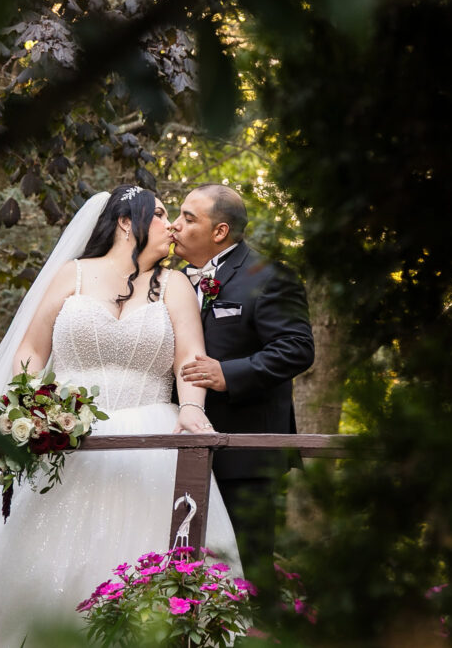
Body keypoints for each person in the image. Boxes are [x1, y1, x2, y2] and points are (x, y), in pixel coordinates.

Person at [0, 185, 241, 645]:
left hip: (152, 442)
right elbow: (31, 349)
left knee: (148, 565)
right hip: (66, 437)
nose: (172, 226)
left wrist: (190, 413)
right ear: (127, 223)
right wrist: (26, 404)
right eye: (160, 215)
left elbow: (190, 359)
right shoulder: (72, 276)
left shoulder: (176, 284)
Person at [169, 183, 314, 609]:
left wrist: (227, 374)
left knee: (248, 574)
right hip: (176, 447)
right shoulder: (170, 281)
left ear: (219, 232)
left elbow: (297, 349)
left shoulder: (269, 276)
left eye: (188, 218)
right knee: (178, 567)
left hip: (244, 454)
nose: (176, 226)